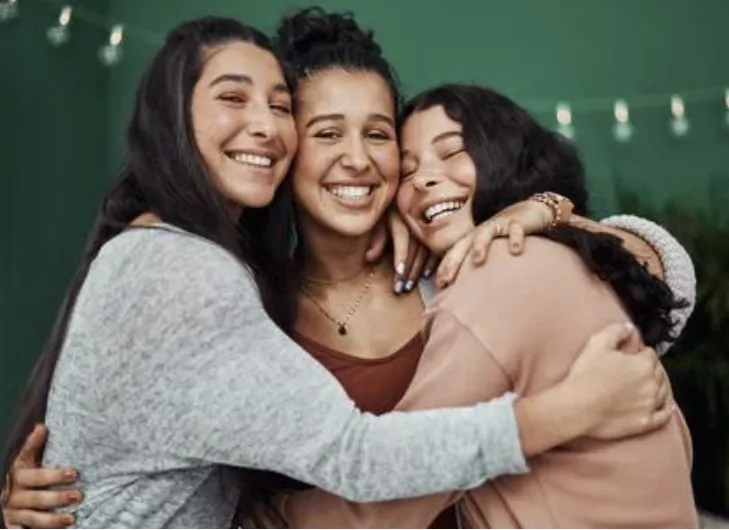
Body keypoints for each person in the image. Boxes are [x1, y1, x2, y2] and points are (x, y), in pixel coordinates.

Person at [1, 11, 692, 530]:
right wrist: (60, 496)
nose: (358, 159)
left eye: (379, 134)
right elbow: (156, 453)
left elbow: (665, 290)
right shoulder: (240, 299)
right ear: (289, 148)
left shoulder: (451, 263)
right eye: (327, 132)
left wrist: (546, 213)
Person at [265, 84, 699, 528]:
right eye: (408, 171)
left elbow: (388, 506)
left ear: (504, 152)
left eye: (451, 151)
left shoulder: (495, 273)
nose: (426, 179)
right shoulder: (561, 256)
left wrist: (272, 516)